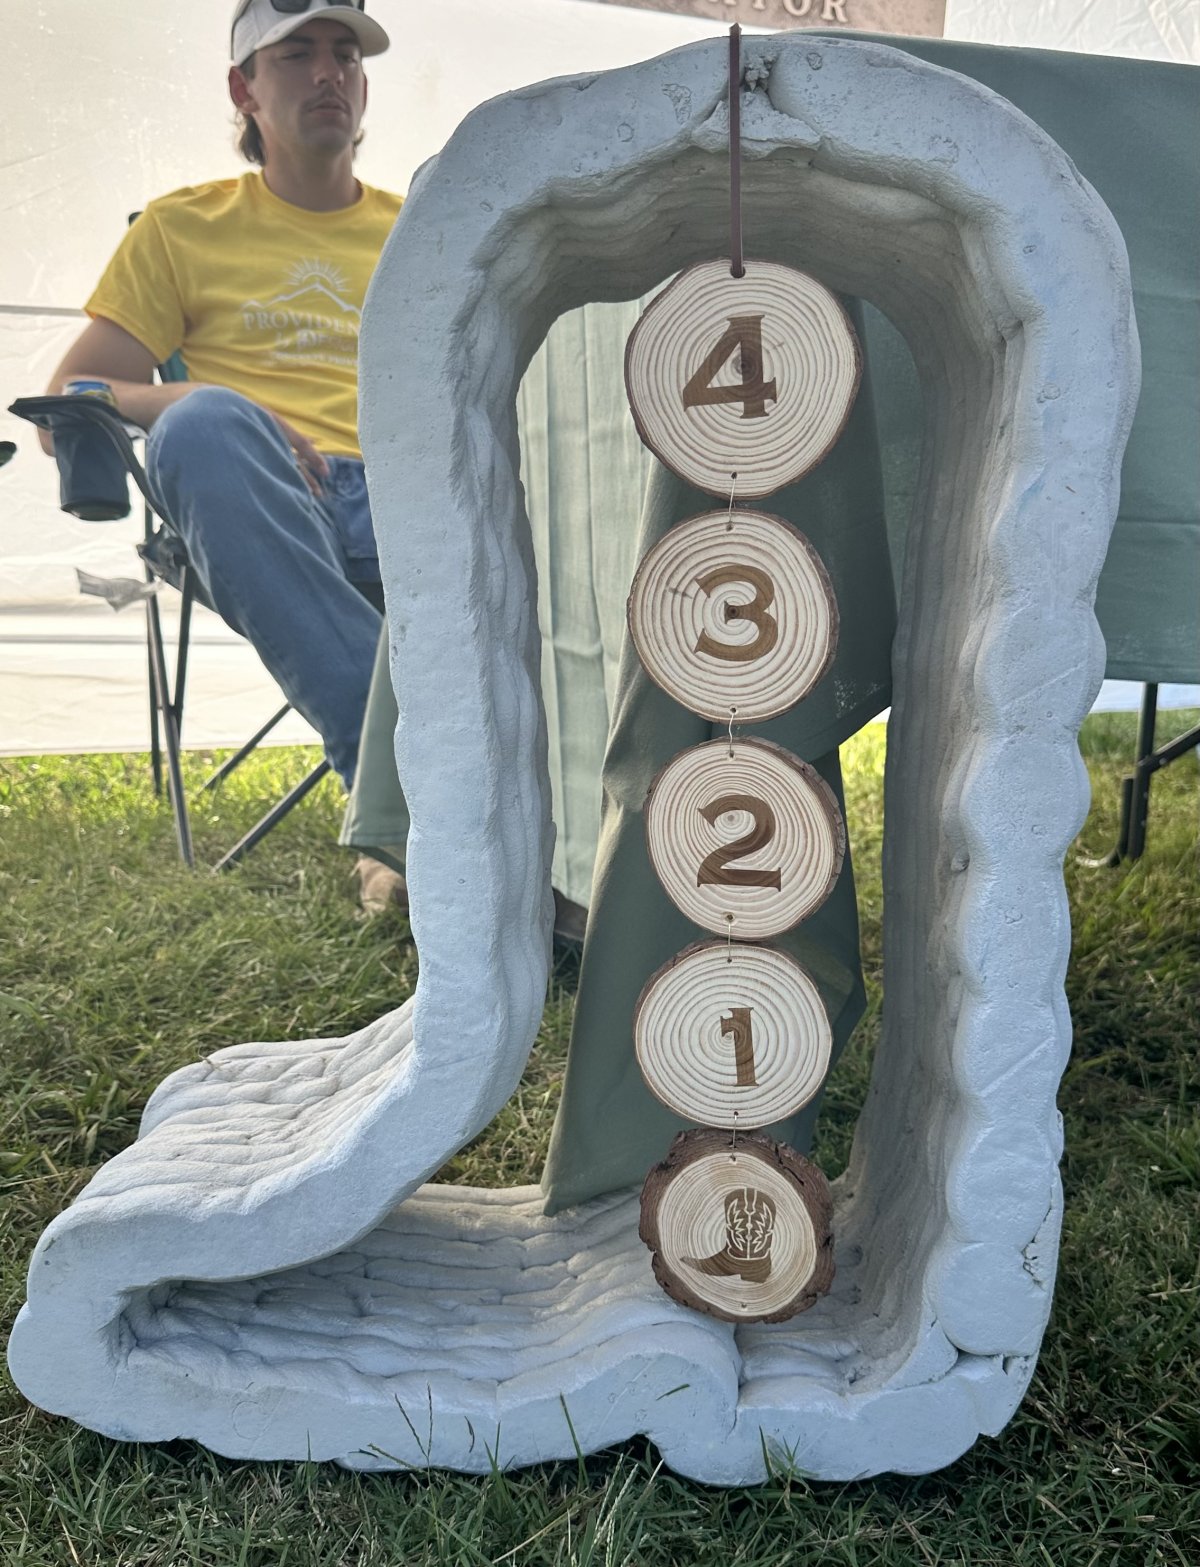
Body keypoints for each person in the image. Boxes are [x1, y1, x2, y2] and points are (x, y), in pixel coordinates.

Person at [43, 0, 407, 902]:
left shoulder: (425, 232)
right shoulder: (181, 227)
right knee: (202, 427)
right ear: (243, 90)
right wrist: (197, 396)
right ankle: (413, 805)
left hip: (416, 498)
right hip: (265, 499)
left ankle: (405, 827)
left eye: (345, 54)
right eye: (296, 54)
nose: (329, 73)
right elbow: (66, 400)